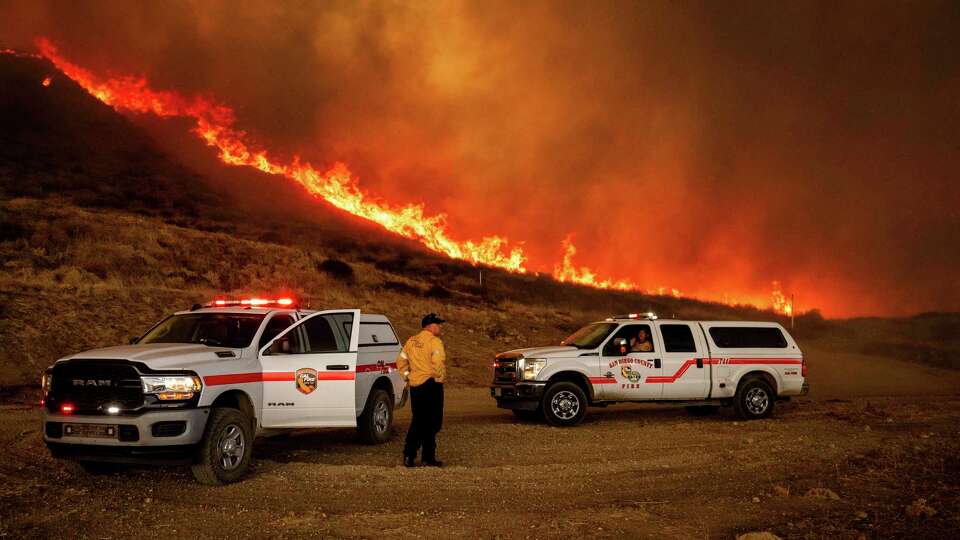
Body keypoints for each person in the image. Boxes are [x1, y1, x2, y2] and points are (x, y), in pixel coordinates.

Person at [396, 313, 447, 467]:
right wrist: (438, 378)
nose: (440, 327)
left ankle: (409, 455)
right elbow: (438, 362)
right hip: (431, 385)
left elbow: (401, 360)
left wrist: (407, 376)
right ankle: (427, 457)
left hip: (416, 386)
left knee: (419, 420)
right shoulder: (434, 341)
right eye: (438, 324)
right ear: (430, 326)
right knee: (434, 422)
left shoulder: (411, 341)